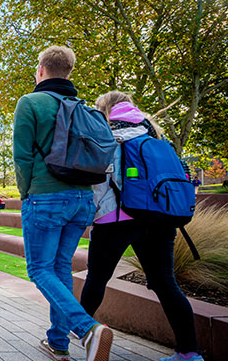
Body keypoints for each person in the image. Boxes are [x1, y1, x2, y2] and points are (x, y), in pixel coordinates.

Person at [80, 91, 204, 361]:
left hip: (116, 220)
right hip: (159, 219)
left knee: (97, 279)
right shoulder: (154, 136)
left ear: (105, 111)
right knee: (165, 283)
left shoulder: (108, 137)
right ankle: (189, 352)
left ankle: (70, 335)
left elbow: (98, 186)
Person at [13, 45, 112, 361]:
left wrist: (27, 193)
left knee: (39, 269)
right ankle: (57, 341)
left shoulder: (30, 103)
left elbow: (22, 156)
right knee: (59, 267)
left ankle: (86, 329)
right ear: (69, 72)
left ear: (41, 69)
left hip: (46, 198)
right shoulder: (83, 108)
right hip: (83, 199)